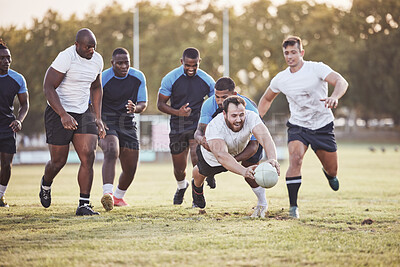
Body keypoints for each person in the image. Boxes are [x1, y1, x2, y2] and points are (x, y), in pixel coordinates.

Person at [258, 36, 349, 219]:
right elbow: (267, 99)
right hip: (298, 126)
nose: (290, 56)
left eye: (293, 52)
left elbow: (341, 82)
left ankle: (329, 174)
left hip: (323, 125)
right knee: (296, 159)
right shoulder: (281, 79)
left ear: (302, 53)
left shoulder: (317, 68)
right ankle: (293, 207)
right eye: (286, 53)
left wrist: (335, 97)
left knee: (333, 170)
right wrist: (256, 120)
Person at [39, 28, 106, 216]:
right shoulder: (66, 57)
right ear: (77, 45)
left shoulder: (97, 60)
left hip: (83, 111)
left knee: (88, 155)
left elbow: (96, 87)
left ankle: (84, 204)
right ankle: (46, 183)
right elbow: (48, 87)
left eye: (94, 47)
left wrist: (98, 118)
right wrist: (62, 114)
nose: (91, 50)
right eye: (87, 47)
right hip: (58, 111)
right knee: (58, 161)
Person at [191, 95, 280, 218]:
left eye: (241, 114)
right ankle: (197, 189)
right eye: (234, 116)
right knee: (199, 174)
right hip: (212, 158)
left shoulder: (251, 117)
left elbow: (265, 138)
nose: (238, 119)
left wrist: (272, 158)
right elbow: (222, 156)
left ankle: (262, 203)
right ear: (224, 114)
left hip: (237, 152)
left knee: (253, 173)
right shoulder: (215, 126)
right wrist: (243, 171)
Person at [157, 47, 215, 205]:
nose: (191, 68)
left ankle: (197, 195)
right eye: (188, 65)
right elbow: (160, 104)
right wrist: (178, 112)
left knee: (197, 158)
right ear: (181, 62)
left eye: (194, 65)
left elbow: (216, 104)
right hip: (177, 124)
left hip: (198, 124)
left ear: (199, 62)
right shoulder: (170, 78)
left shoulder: (208, 81)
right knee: (179, 168)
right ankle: (182, 186)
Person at [99, 47, 147, 211]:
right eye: (119, 63)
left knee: (131, 167)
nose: (124, 66)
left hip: (128, 123)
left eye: (126, 62)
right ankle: (108, 194)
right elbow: (91, 102)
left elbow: (143, 103)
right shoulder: (102, 78)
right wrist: (97, 120)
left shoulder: (138, 77)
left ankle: (118, 197)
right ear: (112, 63)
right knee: (112, 150)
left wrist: (135, 108)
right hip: (107, 121)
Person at [0, 39, 29, 207]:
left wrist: (19, 120)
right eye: (2, 58)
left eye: (8, 58)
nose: (7, 61)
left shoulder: (18, 79)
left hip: (7, 126)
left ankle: (1, 196)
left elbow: (25, 104)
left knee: (7, 165)